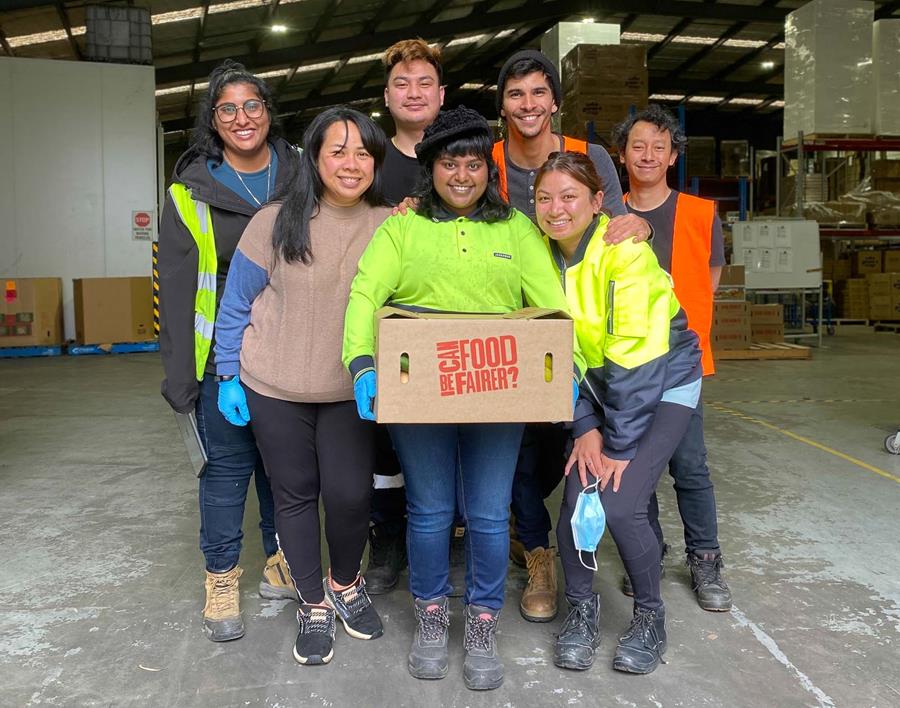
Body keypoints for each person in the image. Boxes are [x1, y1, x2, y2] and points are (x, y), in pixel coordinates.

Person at [342, 107, 586, 691]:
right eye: (449, 163)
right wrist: (361, 363)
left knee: (485, 510)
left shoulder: (516, 231)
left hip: (497, 390)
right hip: (420, 387)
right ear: (431, 168)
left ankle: (480, 620)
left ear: (488, 170)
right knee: (428, 509)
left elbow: (552, 304)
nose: (461, 175)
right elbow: (364, 293)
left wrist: (567, 366)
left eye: (473, 164)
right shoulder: (401, 229)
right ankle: (430, 612)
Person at [212, 106, 393, 666]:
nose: (351, 163)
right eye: (337, 151)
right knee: (294, 495)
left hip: (348, 389)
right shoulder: (274, 221)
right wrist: (226, 374)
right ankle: (312, 602)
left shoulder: (391, 223)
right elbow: (237, 301)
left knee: (349, 495)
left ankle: (344, 583)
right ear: (314, 158)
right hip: (274, 385)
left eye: (363, 151)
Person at [493, 48, 652, 623]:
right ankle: (539, 554)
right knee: (516, 454)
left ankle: (642, 564)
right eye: (516, 94)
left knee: (607, 447)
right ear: (503, 104)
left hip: (585, 336)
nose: (528, 105)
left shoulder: (594, 158)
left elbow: (617, 220)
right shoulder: (487, 163)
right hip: (516, 332)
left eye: (539, 93)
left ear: (555, 102)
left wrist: (645, 220)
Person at [533, 151, 702, 674]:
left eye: (569, 197)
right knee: (575, 505)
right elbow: (555, 353)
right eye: (544, 198)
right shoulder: (539, 257)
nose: (556, 209)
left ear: (597, 201)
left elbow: (638, 358)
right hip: (598, 392)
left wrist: (618, 445)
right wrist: (584, 426)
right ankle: (582, 611)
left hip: (663, 381)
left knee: (621, 501)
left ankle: (651, 617)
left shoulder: (624, 252)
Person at [158, 59, 296, 643]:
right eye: (228, 109)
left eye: (252, 105)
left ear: (267, 111)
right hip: (224, 358)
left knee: (284, 471)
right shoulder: (191, 191)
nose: (242, 118)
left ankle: (279, 562)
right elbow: (176, 288)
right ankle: (221, 578)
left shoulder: (300, 173)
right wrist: (181, 376)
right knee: (226, 470)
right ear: (213, 121)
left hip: (291, 355)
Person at [614, 105, 732, 612]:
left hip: (682, 363)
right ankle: (654, 551)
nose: (647, 155)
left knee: (690, 466)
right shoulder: (605, 214)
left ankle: (705, 558)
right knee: (640, 466)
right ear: (621, 155)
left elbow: (709, 284)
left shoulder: (701, 215)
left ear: (672, 156)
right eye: (637, 146)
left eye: (658, 147)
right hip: (624, 363)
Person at [364, 38, 447, 595]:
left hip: (452, 324)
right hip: (386, 323)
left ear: (441, 94)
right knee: (383, 441)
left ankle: (446, 533)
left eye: (424, 83)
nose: (413, 93)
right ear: (387, 96)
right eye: (402, 84)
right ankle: (387, 535)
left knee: (446, 438)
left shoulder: (465, 153)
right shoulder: (369, 159)